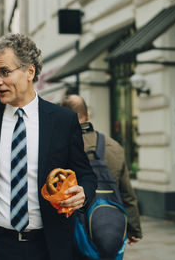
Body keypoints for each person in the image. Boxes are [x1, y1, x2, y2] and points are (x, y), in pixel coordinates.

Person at [0, 33, 97, 260]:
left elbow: (86, 174)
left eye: (5, 72)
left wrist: (83, 194)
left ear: (30, 72)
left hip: (50, 247)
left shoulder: (63, 120)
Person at [61, 94, 142, 245]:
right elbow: (127, 193)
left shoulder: (60, 146)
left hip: (73, 230)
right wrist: (134, 229)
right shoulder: (113, 146)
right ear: (88, 115)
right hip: (110, 227)